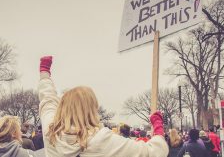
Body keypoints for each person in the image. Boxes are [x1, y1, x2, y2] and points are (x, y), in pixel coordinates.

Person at [38, 56, 168, 157]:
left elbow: (47, 100)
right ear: (91, 110)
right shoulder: (100, 139)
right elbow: (152, 152)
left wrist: (44, 73)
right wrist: (157, 126)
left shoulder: (50, 133)